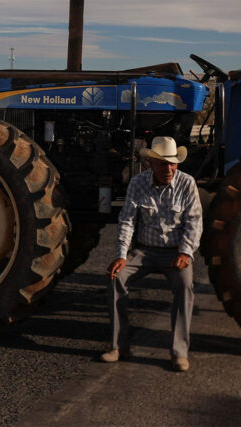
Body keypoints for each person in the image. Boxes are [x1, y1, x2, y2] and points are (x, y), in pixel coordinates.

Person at [103, 136, 202, 372]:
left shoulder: (187, 184)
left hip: (175, 252)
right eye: (163, 164)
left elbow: (194, 222)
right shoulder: (137, 183)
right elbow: (126, 221)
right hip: (143, 251)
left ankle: (179, 352)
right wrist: (121, 255)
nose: (168, 169)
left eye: (172, 163)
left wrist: (186, 252)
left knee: (185, 283)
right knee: (117, 277)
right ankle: (119, 346)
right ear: (151, 165)